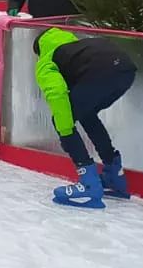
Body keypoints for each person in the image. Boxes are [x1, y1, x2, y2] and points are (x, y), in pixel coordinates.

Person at [34, 27, 137, 208]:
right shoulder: (78, 46)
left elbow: (57, 93)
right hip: (126, 71)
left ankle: (88, 182)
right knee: (86, 114)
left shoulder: (48, 59)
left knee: (61, 120)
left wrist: (65, 132)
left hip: (100, 72)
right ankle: (114, 177)